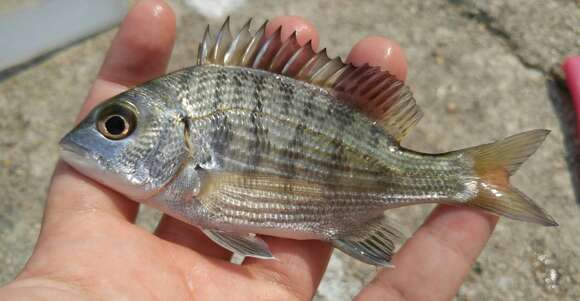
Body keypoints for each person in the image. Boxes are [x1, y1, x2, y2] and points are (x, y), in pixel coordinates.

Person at [0, 1, 498, 300]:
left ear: (184, 135)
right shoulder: (186, 177)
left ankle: (469, 178)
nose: (93, 140)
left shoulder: (194, 174)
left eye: (117, 126)